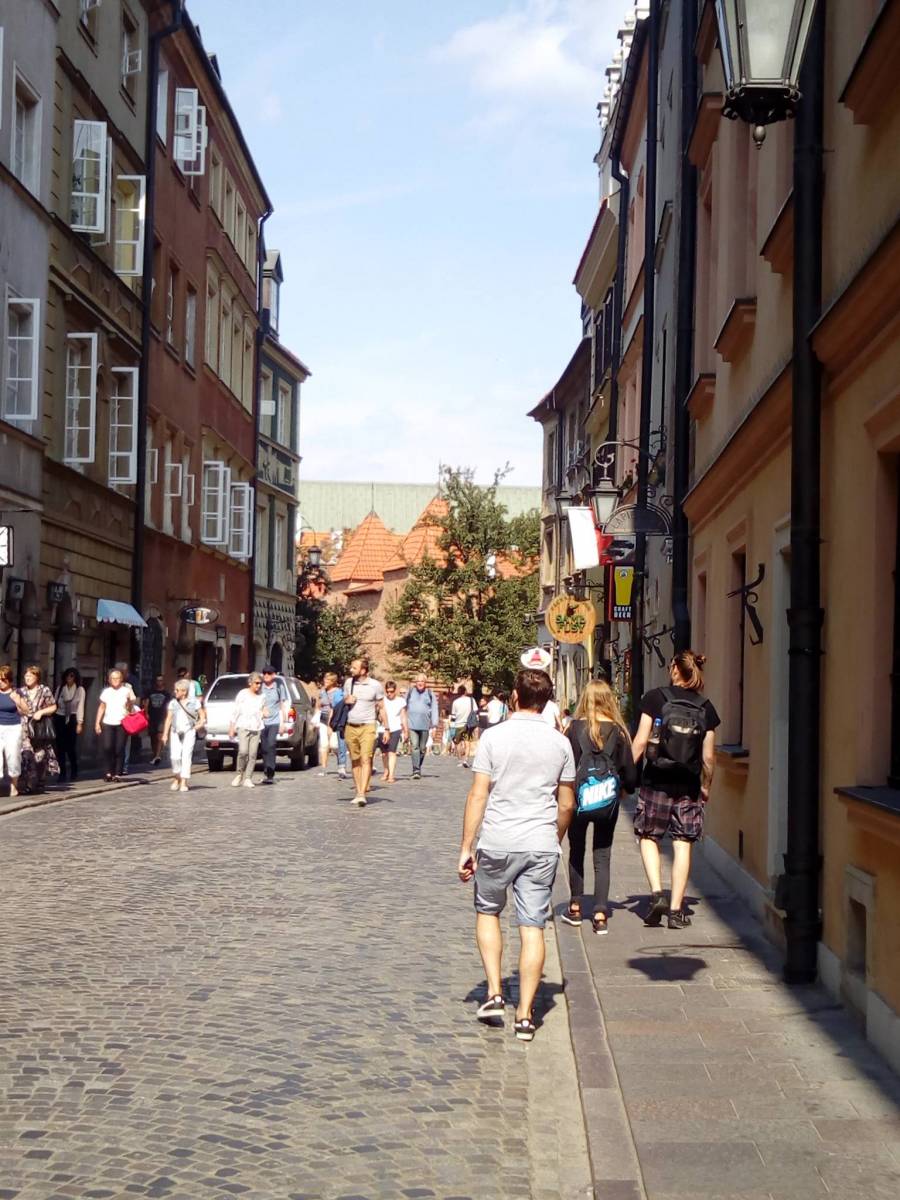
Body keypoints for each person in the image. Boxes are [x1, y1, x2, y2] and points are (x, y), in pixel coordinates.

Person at [458, 668, 576, 1043]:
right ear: (548, 701)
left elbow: (479, 794)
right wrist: (554, 838)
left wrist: (466, 847)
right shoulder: (561, 743)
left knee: (488, 912)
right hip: (540, 844)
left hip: (497, 841)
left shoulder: (494, 737)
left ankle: (494, 994)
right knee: (533, 926)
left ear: (514, 696)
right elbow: (567, 803)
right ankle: (525, 1015)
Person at [631, 650, 719, 929]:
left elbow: (641, 741)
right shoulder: (706, 708)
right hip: (688, 784)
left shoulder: (655, 698)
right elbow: (708, 757)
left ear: (674, 670)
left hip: (656, 779)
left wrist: (624, 773)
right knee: (683, 843)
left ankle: (657, 893)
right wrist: (705, 786)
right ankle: (676, 910)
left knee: (648, 835)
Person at [562, 679, 637, 935]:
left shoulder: (574, 728)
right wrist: (624, 790)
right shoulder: (619, 731)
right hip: (608, 801)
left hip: (578, 800)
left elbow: (566, 765)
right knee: (602, 853)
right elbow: (631, 773)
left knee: (576, 849)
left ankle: (575, 906)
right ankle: (601, 912)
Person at [342, 657, 386, 807]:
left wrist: (387, 728)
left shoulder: (375, 685)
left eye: (354, 668)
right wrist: (347, 700)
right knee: (355, 760)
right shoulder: (348, 683)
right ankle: (358, 791)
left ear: (363, 670)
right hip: (351, 726)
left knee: (366, 758)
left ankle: (362, 794)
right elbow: (344, 700)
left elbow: (381, 707)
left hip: (368, 726)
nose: (351, 670)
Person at [17, 665, 59, 794]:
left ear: (37, 677)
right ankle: (27, 783)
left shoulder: (44, 690)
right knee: (26, 754)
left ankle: (40, 781)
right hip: (24, 727)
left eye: (30, 675)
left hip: (39, 727)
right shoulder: (20, 691)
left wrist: (41, 712)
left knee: (39, 755)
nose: (27, 678)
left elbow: (53, 707)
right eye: (26, 675)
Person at [162, 678, 205, 792]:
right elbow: (169, 719)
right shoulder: (173, 703)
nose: (175, 692)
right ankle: (177, 776)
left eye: (177, 690)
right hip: (175, 732)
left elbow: (202, 715)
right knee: (175, 757)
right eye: (175, 690)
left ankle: (184, 781)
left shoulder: (194, 702)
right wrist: (165, 734)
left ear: (184, 691)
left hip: (189, 731)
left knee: (186, 756)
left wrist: (200, 724)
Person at [95, 668, 137, 783]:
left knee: (119, 748)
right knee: (107, 747)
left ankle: (117, 773)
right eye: (113, 678)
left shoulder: (126, 691)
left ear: (121, 679)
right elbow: (102, 707)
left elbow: (131, 707)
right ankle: (108, 772)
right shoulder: (106, 692)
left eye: (117, 678)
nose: (115, 680)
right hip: (108, 722)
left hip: (122, 723)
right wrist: (97, 723)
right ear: (109, 680)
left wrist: (129, 702)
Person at [229, 672, 268, 789]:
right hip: (243, 726)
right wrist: (232, 727)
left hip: (256, 727)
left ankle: (248, 778)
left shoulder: (262, 696)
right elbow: (235, 711)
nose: (259, 686)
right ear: (250, 683)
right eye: (256, 683)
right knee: (243, 751)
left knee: (253, 754)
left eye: (260, 683)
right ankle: (239, 774)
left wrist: (265, 712)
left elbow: (264, 708)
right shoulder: (243, 694)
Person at [0, 665, 30, 797]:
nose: (0, 682)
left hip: (13, 727)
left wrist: (17, 700)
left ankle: (13, 785)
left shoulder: (16, 692)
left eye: (3, 680)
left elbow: (26, 711)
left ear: (9, 680)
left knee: (13, 756)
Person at [53, 667, 86, 781]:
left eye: (72, 676)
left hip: (72, 718)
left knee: (70, 747)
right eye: (67, 676)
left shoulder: (80, 690)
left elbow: (80, 706)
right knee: (60, 747)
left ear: (75, 678)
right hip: (59, 717)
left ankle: (74, 770)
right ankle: (62, 773)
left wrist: (80, 723)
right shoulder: (61, 688)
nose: (69, 678)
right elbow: (54, 703)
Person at [405, 673, 438, 780]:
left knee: (422, 749)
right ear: (415, 682)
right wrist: (403, 723)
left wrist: (434, 725)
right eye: (418, 681)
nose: (420, 683)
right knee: (415, 746)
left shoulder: (430, 693)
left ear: (425, 683)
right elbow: (403, 706)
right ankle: (416, 770)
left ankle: (417, 766)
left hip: (425, 725)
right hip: (412, 724)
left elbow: (434, 709)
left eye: (422, 681)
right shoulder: (410, 692)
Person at [259, 665, 289, 783]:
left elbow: (282, 705)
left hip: (275, 721)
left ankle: (271, 772)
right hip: (261, 722)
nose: (266, 675)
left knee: (271, 744)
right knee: (264, 747)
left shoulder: (279, 687)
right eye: (264, 673)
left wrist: (283, 723)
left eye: (269, 673)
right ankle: (266, 770)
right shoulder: (260, 688)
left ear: (274, 675)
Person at [378, 681, 408, 784]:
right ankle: (386, 770)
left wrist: (406, 730)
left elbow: (403, 716)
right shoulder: (382, 700)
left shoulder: (401, 701)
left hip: (395, 728)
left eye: (391, 691)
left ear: (395, 691)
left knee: (392, 752)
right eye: (387, 692)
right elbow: (379, 713)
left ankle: (391, 774)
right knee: (384, 753)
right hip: (382, 729)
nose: (389, 694)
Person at [320, 672, 349, 779]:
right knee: (323, 745)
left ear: (333, 682)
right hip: (323, 718)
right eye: (325, 679)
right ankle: (323, 769)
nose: (325, 681)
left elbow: (336, 708)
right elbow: (319, 704)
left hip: (335, 720)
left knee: (334, 745)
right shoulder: (323, 691)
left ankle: (341, 762)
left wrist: (330, 724)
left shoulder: (338, 693)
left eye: (328, 680)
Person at [145, 675, 171, 765]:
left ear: (163, 682)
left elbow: (169, 706)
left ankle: (158, 755)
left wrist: (168, 716)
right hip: (152, 717)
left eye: (161, 680)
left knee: (160, 736)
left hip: (162, 717)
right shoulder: (150, 692)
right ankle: (154, 753)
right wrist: (146, 713)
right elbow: (146, 703)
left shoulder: (166, 694)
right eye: (158, 680)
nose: (159, 682)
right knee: (153, 737)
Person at [450, 685, 478, 767]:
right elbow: (476, 712)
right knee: (467, 742)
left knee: (458, 743)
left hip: (458, 725)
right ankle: (465, 760)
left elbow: (453, 716)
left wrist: (452, 726)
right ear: (465, 691)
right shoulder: (471, 700)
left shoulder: (455, 702)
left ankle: (460, 761)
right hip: (468, 725)